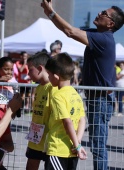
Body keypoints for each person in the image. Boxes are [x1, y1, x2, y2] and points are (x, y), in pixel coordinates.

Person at [41, 1, 124, 169]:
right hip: (98, 99)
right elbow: (68, 30)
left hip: (100, 100)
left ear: (111, 24)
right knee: (97, 143)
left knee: (98, 145)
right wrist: (49, 12)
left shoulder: (104, 39)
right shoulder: (98, 34)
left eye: (104, 13)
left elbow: (70, 31)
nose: (99, 13)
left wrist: (50, 13)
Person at [44, 53, 87, 170]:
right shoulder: (75, 94)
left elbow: (67, 122)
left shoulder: (58, 96)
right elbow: (82, 119)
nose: (48, 78)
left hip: (58, 150)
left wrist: (77, 146)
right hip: (72, 149)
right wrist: (77, 141)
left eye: (49, 74)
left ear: (56, 76)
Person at [25, 52, 55, 170]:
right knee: (31, 165)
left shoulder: (53, 88)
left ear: (39, 68)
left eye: (30, 70)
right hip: (35, 138)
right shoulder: (38, 88)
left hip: (49, 140)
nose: (28, 73)